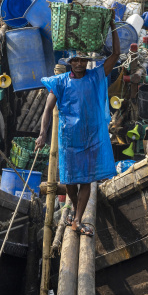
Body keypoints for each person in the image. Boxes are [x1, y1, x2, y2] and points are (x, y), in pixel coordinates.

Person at [36, 13, 119, 237]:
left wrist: (111, 25)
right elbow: (47, 110)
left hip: (91, 137)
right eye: (76, 60)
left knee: (87, 181)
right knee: (70, 181)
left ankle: (78, 219)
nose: (80, 64)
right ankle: (75, 209)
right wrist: (43, 134)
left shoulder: (95, 76)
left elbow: (116, 54)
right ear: (70, 62)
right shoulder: (60, 82)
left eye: (83, 60)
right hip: (69, 139)